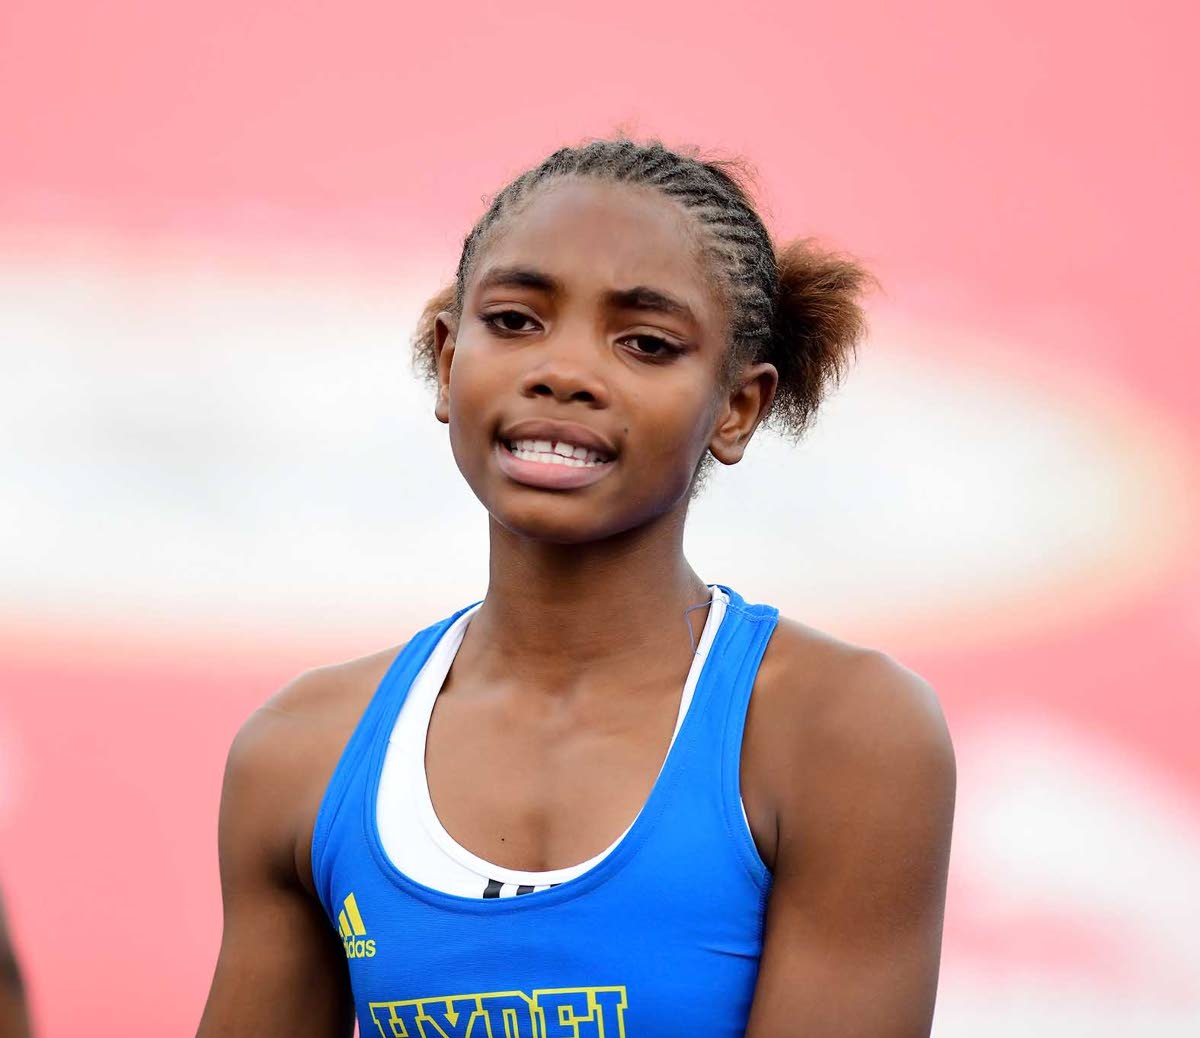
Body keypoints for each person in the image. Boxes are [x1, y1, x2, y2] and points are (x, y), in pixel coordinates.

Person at [197, 137, 956, 1037]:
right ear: (446, 361)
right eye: (516, 321)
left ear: (737, 407)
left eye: (645, 342)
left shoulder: (845, 735)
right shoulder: (300, 756)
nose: (562, 372)